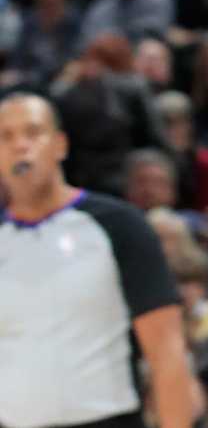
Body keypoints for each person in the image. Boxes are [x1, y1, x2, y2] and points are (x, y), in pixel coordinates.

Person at [0, 95, 196, 428]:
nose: (20, 145)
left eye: (33, 132)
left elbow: (167, 354)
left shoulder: (119, 226)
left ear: (60, 145)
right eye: (6, 136)